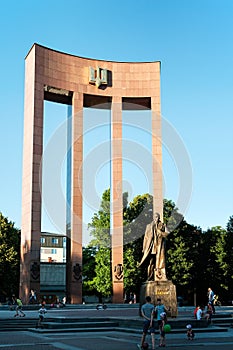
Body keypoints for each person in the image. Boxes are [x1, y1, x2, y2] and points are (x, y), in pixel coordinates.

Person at [139, 212, 169, 281]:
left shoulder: (163, 225)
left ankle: (161, 276)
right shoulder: (149, 226)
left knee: (161, 261)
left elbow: (167, 233)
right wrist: (144, 248)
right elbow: (145, 238)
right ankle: (149, 277)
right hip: (151, 247)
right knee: (151, 262)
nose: (156, 218)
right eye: (155, 217)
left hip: (159, 246)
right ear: (153, 218)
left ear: (159, 218)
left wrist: (161, 233)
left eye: (157, 217)